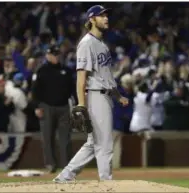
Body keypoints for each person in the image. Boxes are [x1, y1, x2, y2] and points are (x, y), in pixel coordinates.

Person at [53, 5, 129, 182]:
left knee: (93, 143)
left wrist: (118, 96)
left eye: (106, 15)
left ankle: (65, 176)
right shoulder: (87, 43)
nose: (106, 18)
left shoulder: (101, 44)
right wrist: (81, 103)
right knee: (104, 143)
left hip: (105, 95)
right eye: (101, 16)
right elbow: (81, 77)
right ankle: (106, 182)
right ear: (91, 19)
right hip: (95, 95)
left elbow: (107, 77)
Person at [32, 45, 75, 173]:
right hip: (46, 106)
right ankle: (50, 164)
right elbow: (35, 90)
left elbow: (72, 89)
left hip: (64, 107)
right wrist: (36, 107)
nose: (56, 57)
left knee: (65, 138)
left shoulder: (66, 70)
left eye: (57, 55)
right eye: (53, 55)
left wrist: (76, 104)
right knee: (47, 138)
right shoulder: (41, 70)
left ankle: (67, 165)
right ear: (48, 56)